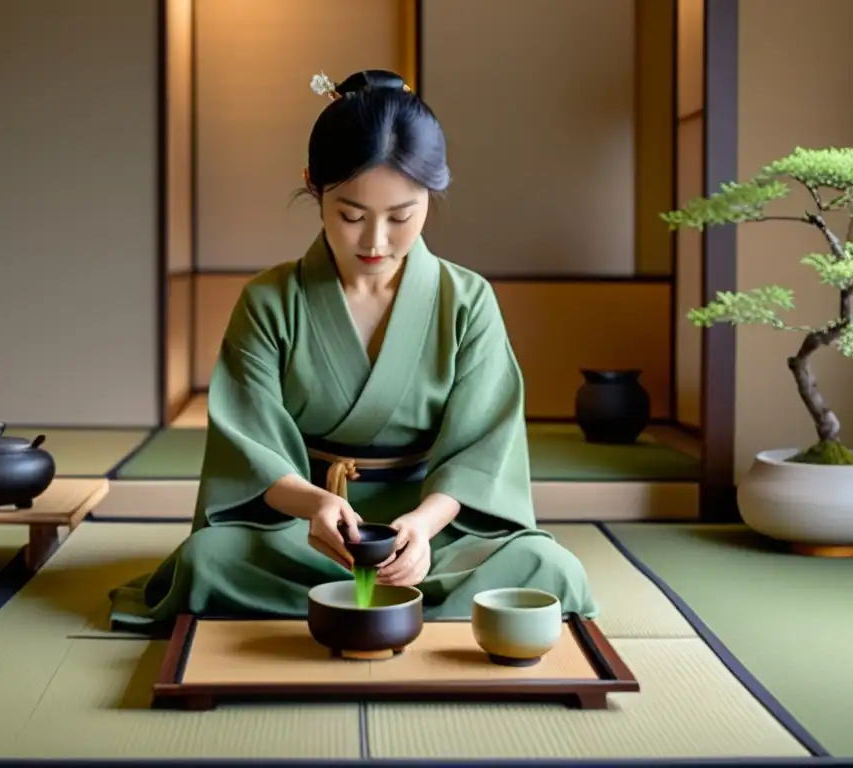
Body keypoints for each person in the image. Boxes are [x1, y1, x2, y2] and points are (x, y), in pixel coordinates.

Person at [108, 69, 598, 632]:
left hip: (434, 535)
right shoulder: (270, 301)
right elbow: (249, 445)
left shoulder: (466, 301)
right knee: (206, 563)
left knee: (551, 570)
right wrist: (315, 505)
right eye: (351, 214)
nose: (375, 241)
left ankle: (361, 602)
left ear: (431, 196)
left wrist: (423, 525)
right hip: (304, 531)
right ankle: (400, 610)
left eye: (402, 215)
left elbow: (483, 448)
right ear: (313, 186)